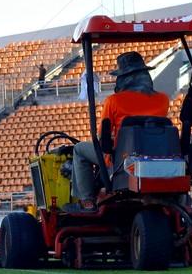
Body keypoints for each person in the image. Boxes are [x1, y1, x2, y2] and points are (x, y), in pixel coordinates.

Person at [70, 51, 170, 210]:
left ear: (124, 78)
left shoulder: (114, 101)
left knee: (79, 149)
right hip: (156, 155)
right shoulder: (163, 99)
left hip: (121, 160)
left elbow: (103, 137)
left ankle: (87, 200)